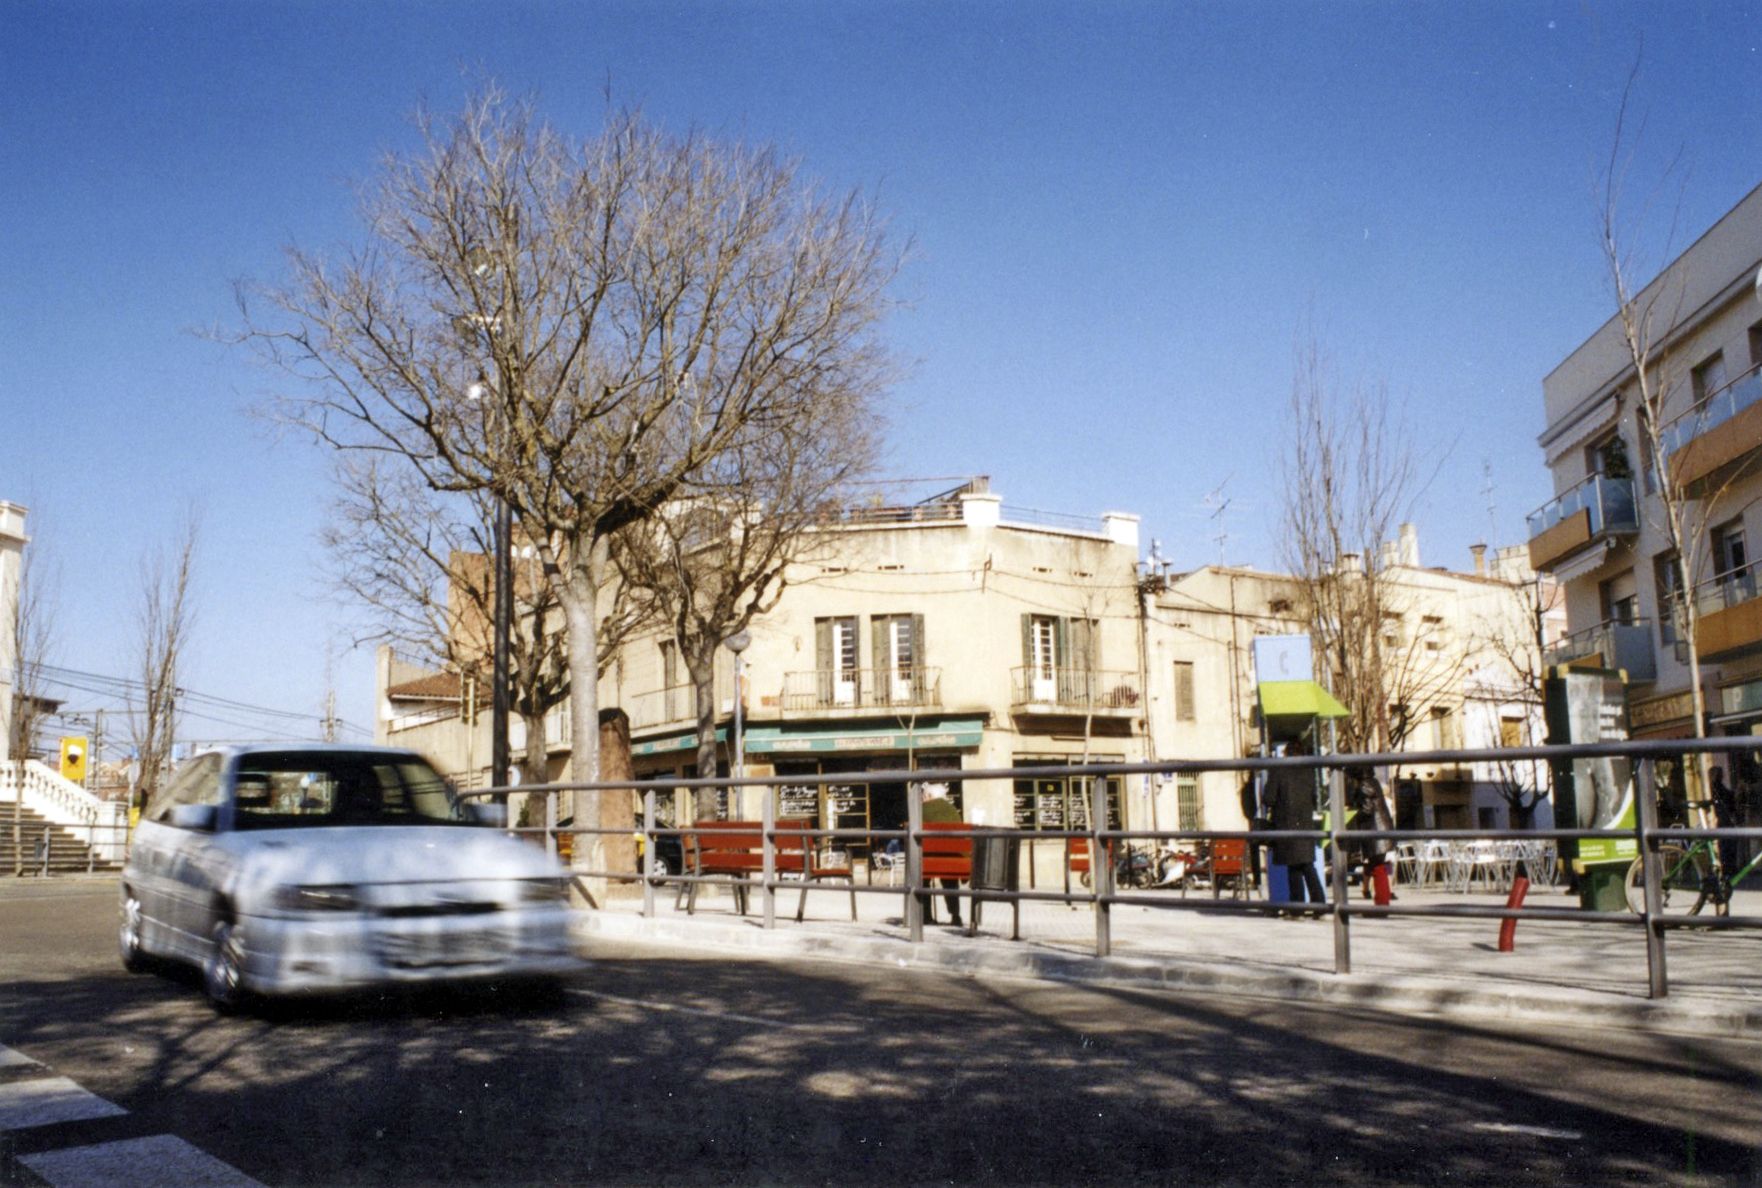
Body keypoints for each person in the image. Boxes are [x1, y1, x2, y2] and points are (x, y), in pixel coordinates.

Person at [1264, 737, 1326, 909]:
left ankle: (1298, 905)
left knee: (1296, 866)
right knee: (1304, 864)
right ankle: (1318, 904)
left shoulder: (1278, 771)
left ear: (1285, 754)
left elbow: (1268, 798)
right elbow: (1315, 797)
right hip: (1305, 823)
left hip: (1286, 823)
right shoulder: (1308, 771)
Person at [916, 782, 965, 927]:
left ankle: (926, 916)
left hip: (929, 861)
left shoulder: (921, 810)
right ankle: (955, 916)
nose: (922, 798)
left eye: (924, 795)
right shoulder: (952, 810)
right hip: (952, 861)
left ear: (930, 795)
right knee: (950, 881)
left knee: (923, 880)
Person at [1346, 767, 1396, 905]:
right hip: (1381, 831)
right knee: (1379, 866)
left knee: (1377, 867)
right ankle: (1382, 901)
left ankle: (1381, 902)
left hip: (1374, 832)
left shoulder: (1364, 785)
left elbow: (1367, 810)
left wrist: (1352, 814)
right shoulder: (1373, 782)